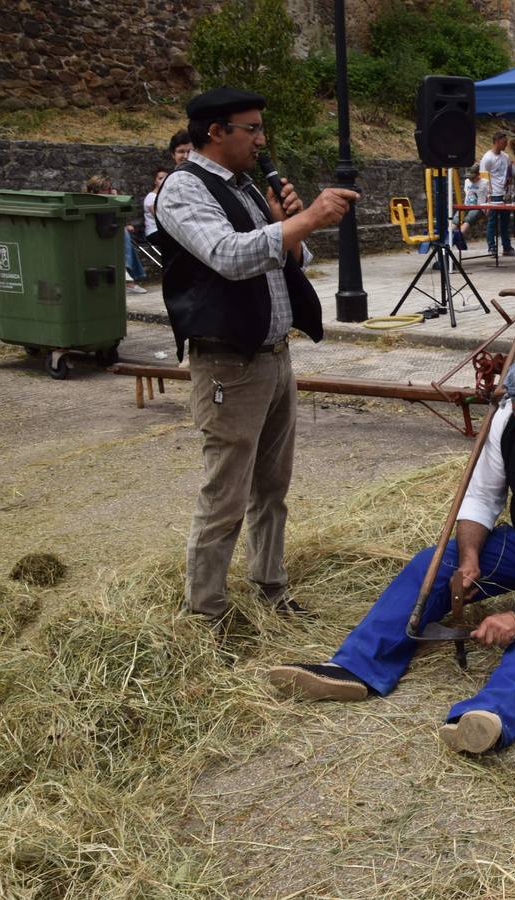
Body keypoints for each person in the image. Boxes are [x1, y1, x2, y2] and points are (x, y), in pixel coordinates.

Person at [267, 351, 515, 754]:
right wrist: (469, 558)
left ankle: (489, 715)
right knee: (431, 565)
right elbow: (481, 498)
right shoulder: (506, 418)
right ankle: (355, 667)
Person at [154, 86, 357, 627]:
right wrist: (305, 219)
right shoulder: (183, 188)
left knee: (272, 489)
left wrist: (287, 222)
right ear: (215, 132)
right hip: (228, 364)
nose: (262, 140)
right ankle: (207, 613)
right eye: (252, 129)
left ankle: (271, 588)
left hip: (273, 355)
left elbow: (294, 259)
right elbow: (227, 256)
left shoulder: (243, 187)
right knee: (225, 494)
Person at [85, 174, 148, 291]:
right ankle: (128, 279)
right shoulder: (91, 201)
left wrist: (115, 199)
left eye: (110, 188)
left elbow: (120, 217)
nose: (109, 191)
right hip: (97, 234)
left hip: (110, 232)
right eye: (106, 189)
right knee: (123, 234)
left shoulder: (109, 200)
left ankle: (128, 277)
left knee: (124, 235)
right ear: (96, 190)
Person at [481, 132, 515, 257]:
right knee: (492, 222)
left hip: (505, 193)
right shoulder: (487, 158)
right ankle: (492, 247)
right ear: (496, 141)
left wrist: (509, 182)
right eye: (503, 142)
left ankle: (506, 247)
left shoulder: (506, 157)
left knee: (505, 222)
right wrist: (487, 195)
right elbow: (483, 177)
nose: (505, 144)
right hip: (494, 194)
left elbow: (509, 173)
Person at [143, 168, 168, 242]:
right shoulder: (151, 197)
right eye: (160, 178)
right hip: (154, 231)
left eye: (166, 178)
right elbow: (159, 217)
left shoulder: (164, 196)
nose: (164, 181)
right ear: (155, 182)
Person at [459, 164, 485, 238]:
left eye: (472, 178)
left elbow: (489, 197)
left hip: (478, 208)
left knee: (469, 218)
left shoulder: (485, 183)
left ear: (478, 175)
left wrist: (487, 211)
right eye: (469, 177)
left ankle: (458, 236)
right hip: (466, 206)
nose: (470, 179)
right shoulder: (467, 181)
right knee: (456, 218)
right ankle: (449, 236)